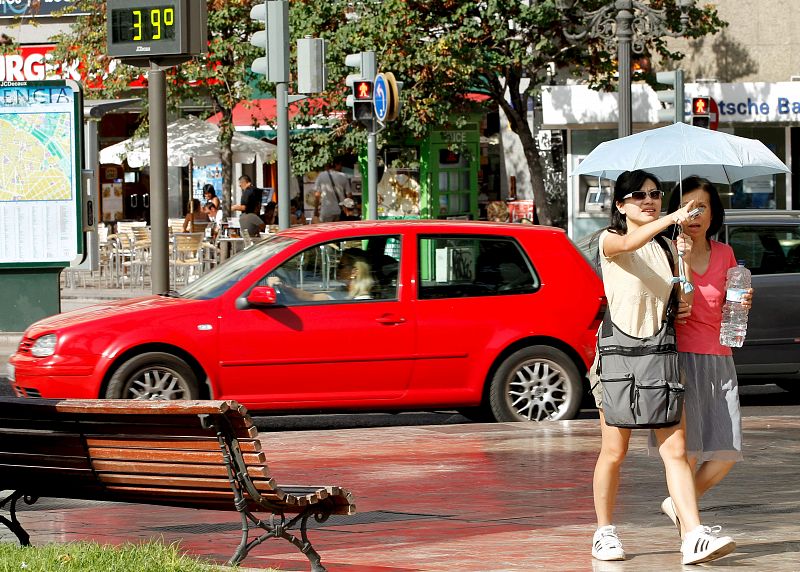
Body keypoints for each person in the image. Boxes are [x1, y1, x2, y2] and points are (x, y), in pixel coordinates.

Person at [590, 170, 735, 565]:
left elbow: (680, 300)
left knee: (676, 450)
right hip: (620, 358)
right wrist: (672, 218)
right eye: (638, 195)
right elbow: (629, 243)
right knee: (614, 451)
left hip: (659, 357)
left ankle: (693, 535)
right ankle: (604, 531)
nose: (649, 200)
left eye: (654, 194)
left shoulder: (667, 248)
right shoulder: (611, 239)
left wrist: (681, 274)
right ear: (620, 205)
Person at [649, 176, 754, 532]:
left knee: (727, 451)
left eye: (702, 207)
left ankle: (678, 504)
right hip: (681, 361)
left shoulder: (725, 254)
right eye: (687, 207)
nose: (694, 215)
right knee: (688, 452)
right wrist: (680, 261)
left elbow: (728, 306)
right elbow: (666, 302)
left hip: (720, 358)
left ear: (713, 213)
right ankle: (690, 534)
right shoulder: (665, 250)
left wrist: (743, 301)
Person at [268, 248, 373, 301]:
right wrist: (285, 288)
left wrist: (285, 287)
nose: (336, 269)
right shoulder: (343, 291)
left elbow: (312, 297)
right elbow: (312, 297)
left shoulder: (362, 300)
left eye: (341, 266)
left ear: (354, 272)